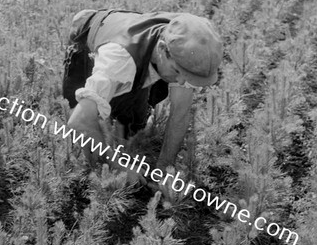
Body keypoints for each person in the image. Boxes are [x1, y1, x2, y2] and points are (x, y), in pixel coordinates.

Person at [63, 9, 222, 176]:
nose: (182, 82)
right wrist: (117, 167)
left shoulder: (187, 47)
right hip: (89, 38)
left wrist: (164, 168)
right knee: (90, 127)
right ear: (162, 49)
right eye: (177, 71)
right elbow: (79, 121)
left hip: (138, 51)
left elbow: (180, 113)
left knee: (131, 129)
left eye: (188, 76)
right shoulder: (118, 60)